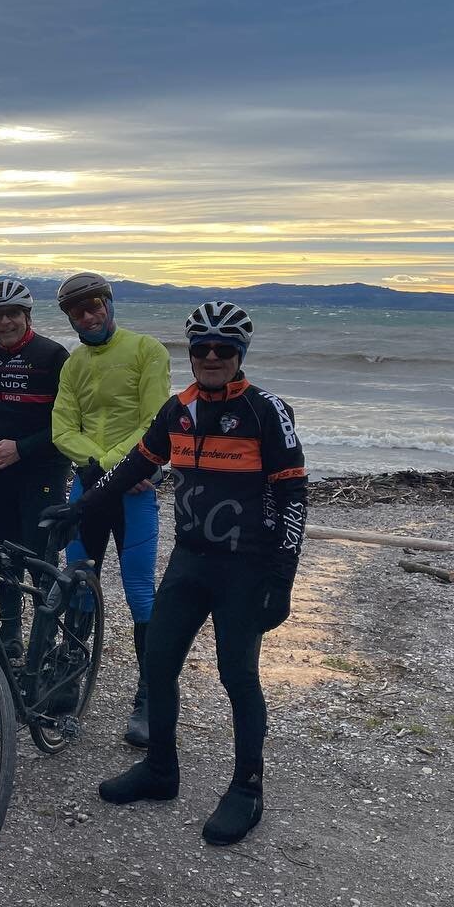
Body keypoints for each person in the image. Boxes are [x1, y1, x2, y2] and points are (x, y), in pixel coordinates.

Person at [66, 301, 307, 846]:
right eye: (203, 349)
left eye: (225, 349)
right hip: (191, 559)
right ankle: (160, 770)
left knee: (237, 676)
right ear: (192, 353)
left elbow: (294, 495)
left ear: (240, 355)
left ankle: (247, 789)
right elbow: (136, 465)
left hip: (247, 567)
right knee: (157, 660)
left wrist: (282, 579)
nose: (213, 357)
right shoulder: (178, 411)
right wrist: (79, 508)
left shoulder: (268, 411)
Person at [50, 272, 171, 746]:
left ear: (109, 303)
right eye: (78, 311)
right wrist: (99, 462)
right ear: (71, 319)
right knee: (78, 582)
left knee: (140, 590)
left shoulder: (147, 350)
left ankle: (150, 695)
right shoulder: (74, 364)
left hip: (135, 488)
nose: (89, 315)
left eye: (95, 305)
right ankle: (67, 684)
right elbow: (63, 425)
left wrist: (117, 466)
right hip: (87, 484)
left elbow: (154, 419)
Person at [0, 279, 71, 660]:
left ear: (27, 316)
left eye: (12, 315)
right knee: (2, 553)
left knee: (38, 555)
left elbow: (69, 421)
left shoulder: (53, 356)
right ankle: (10, 634)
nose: (5, 322)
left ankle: (44, 637)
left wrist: (23, 448)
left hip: (43, 470)